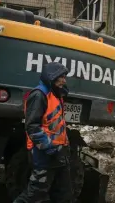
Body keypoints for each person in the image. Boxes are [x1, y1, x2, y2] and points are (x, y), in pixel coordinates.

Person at [14, 62, 72, 203]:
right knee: (34, 195)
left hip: (59, 153)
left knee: (64, 194)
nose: (64, 80)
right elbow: (32, 126)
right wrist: (49, 146)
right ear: (51, 77)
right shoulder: (39, 95)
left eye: (65, 77)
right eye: (61, 77)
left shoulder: (56, 95)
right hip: (44, 154)